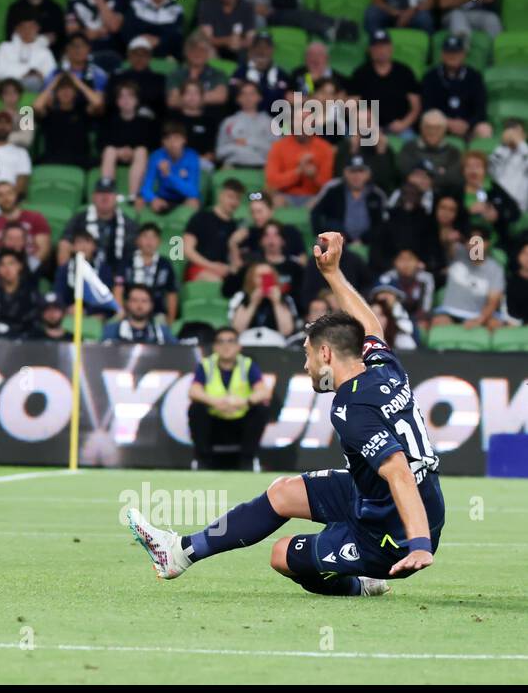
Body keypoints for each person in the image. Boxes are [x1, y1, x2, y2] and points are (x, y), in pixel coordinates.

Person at [128, 231, 443, 596]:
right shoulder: (382, 363)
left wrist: (418, 543)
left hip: (393, 533)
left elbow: (399, 471)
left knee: (282, 554)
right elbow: (370, 326)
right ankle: (179, 552)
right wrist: (333, 273)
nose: (305, 364)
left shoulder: (351, 408)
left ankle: (362, 583)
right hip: (387, 499)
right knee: (283, 493)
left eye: (307, 353)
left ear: (326, 355)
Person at [187, 327, 272, 469]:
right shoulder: (206, 364)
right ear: (214, 347)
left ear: (239, 346)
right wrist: (215, 402)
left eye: (231, 341)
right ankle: (203, 460)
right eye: (221, 342)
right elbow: (193, 391)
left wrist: (244, 402)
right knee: (196, 408)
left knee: (261, 409)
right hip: (215, 421)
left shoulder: (248, 364)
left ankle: (247, 460)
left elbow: (263, 392)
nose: (226, 346)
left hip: (240, 420)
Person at [139, 123, 201, 214]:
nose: (172, 143)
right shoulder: (157, 156)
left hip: (184, 199)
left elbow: (193, 192)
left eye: (176, 138)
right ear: (163, 142)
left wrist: (169, 175)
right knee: (140, 200)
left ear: (184, 140)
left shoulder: (192, 157)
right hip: (163, 199)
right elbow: (146, 187)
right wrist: (153, 199)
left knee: (194, 202)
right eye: (168, 139)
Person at [101, 284, 174, 344]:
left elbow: (178, 353)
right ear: (127, 303)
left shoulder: (162, 331)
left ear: (151, 305)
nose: (139, 305)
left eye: (144, 301)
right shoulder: (112, 330)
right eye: (134, 300)